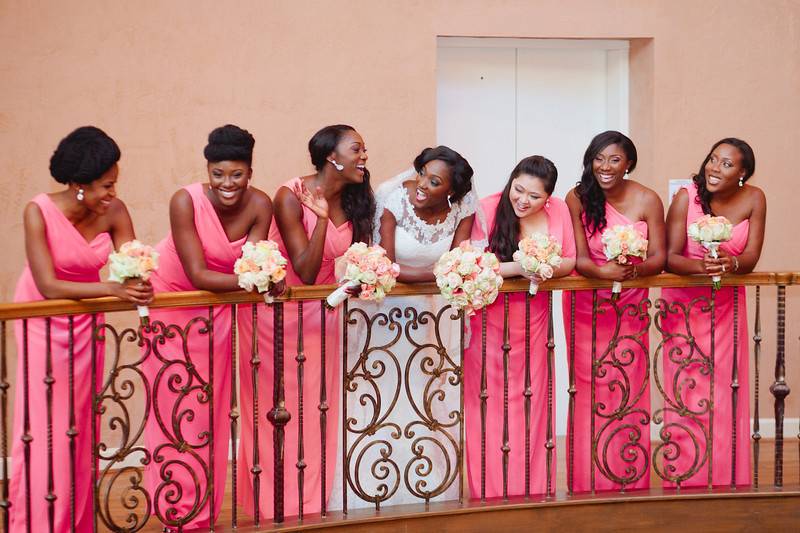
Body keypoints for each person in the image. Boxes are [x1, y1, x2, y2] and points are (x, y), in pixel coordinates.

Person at [10, 126, 153, 532]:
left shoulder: (115, 211)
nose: (112, 193)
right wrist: (109, 287)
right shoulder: (37, 211)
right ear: (77, 184)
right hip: (41, 318)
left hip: (86, 323)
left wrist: (140, 280)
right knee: (44, 423)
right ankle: (37, 520)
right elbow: (47, 282)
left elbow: (133, 264)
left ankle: (74, 518)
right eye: (105, 185)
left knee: (79, 419)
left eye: (115, 184)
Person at [330, 145, 480, 509]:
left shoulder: (463, 209)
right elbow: (389, 263)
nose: (423, 185)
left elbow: (460, 259)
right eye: (424, 173)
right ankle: (369, 483)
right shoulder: (394, 198)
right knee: (379, 391)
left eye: (435, 181)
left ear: (452, 191)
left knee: (426, 395)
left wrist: (449, 274)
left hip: (433, 318)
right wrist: (442, 275)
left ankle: (425, 479)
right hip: (385, 313)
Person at [237, 124, 374, 519]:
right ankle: (273, 503)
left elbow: (348, 259)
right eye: (356, 149)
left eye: (364, 149)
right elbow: (306, 270)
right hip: (276, 315)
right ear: (331, 157)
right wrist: (321, 221)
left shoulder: (355, 198)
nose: (364, 156)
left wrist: (366, 275)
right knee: (276, 407)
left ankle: (310, 503)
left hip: (323, 314)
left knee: (317, 406)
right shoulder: (289, 195)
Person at [142, 124, 272, 530]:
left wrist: (263, 274)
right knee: (172, 407)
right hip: (173, 304)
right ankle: (173, 508)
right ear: (208, 170)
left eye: (236, 174)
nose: (226, 184)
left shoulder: (260, 205)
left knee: (209, 408)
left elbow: (255, 261)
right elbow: (198, 274)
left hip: (218, 310)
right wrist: (261, 280)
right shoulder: (185, 201)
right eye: (218, 174)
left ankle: (202, 509)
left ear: (250, 172)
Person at [465, 155, 575, 498]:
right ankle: (489, 486)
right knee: (487, 399)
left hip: (535, 319)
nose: (523, 201)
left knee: (532, 397)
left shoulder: (559, 211)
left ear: (549, 197)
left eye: (534, 196)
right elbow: (469, 264)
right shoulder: (487, 208)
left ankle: (532, 484)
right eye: (518, 190)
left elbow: (569, 260)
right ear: (510, 182)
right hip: (489, 319)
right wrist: (519, 268)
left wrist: (546, 268)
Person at [658, 138, 765, 487]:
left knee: (725, 387)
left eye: (727, 163)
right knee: (688, 388)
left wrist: (730, 262)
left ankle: (725, 472)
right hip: (685, 307)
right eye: (712, 160)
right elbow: (670, 257)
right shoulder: (686, 197)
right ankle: (686, 473)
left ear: (743, 173)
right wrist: (701, 268)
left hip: (726, 307)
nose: (715, 168)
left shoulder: (754, 198)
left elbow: (750, 258)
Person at [564, 130, 666, 492]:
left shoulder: (648, 199)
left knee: (627, 382)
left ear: (629, 164)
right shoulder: (576, 198)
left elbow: (659, 258)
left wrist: (632, 271)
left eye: (614, 159)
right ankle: (586, 475)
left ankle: (627, 473)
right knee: (589, 384)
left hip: (630, 303)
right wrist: (601, 272)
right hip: (586, 302)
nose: (605, 167)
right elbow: (577, 256)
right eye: (598, 158)